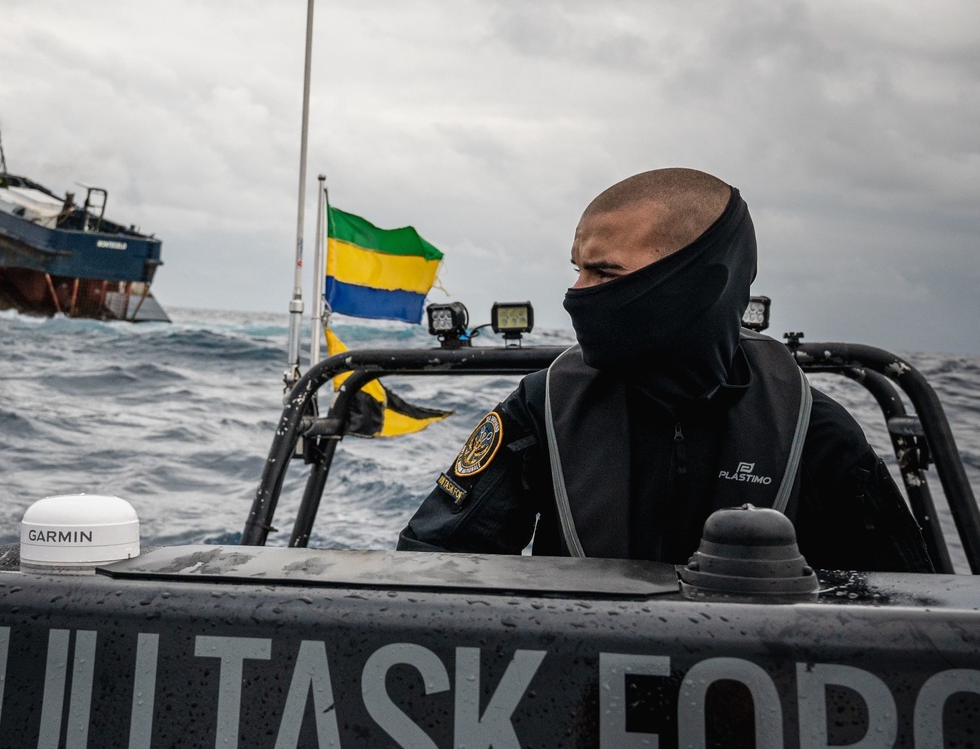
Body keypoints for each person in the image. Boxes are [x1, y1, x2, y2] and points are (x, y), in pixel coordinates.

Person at [398, 168, 933, 572]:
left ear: (696, 285)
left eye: (604, 271)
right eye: (577, 269)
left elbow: (905, 612)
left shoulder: (813, 431)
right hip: (576, 689)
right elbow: (433, 564)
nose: (575, 296)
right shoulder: (542, 407)